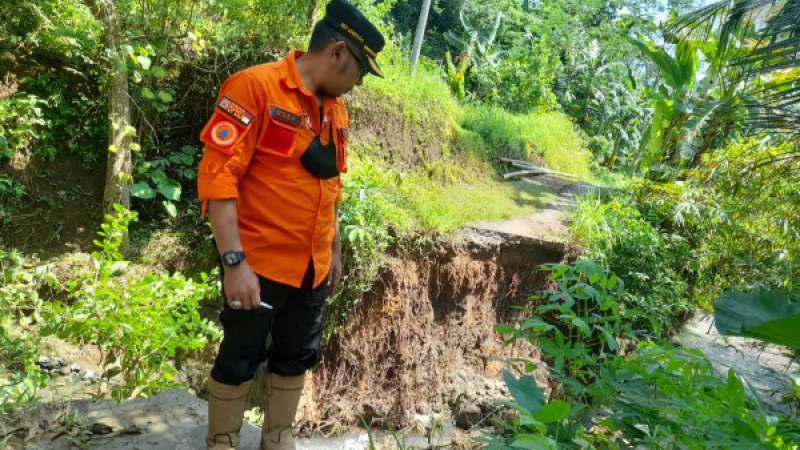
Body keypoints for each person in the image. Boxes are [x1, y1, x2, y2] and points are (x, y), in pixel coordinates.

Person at [195, 1, 385, 448]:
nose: (358, 84)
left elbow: (331, 183)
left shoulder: (335, 110)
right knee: (240, 356)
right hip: (258, 265)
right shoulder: (254, 88)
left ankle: (278, 439)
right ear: (338, 52)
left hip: (312, 267)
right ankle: (221, 442)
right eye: (359, 71)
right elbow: (218, 181)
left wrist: (333, 249)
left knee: (295, 357)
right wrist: (234, 263)